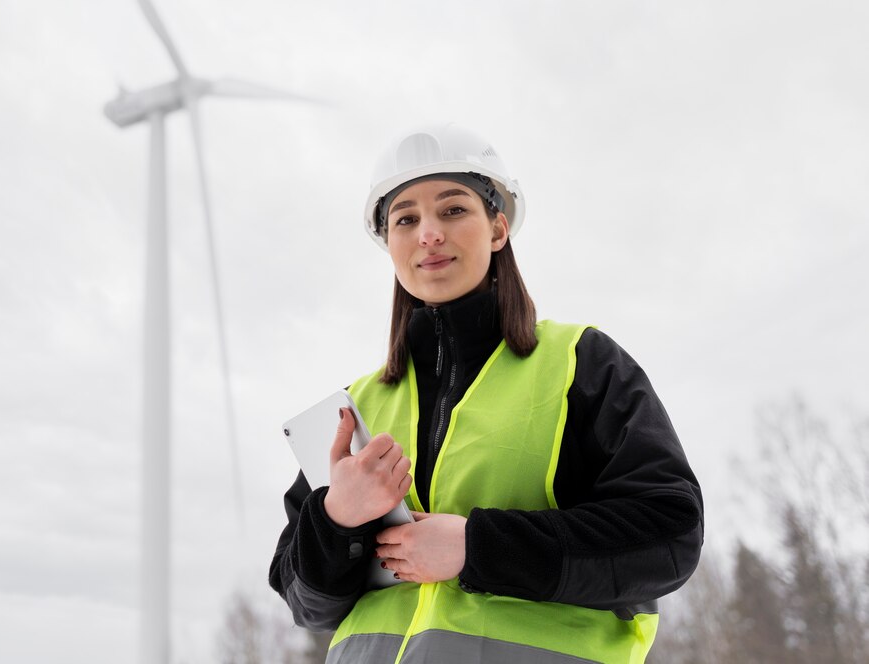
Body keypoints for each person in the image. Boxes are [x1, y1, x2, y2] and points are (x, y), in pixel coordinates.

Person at [269, 124, 703, 664]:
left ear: (498, 229)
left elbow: (668, 536)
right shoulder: (352, 408)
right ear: (390, 244)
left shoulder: (579, 363)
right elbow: (306, 604)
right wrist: (336, 517)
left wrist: (479, 547)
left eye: (453, 210)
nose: (428, 233)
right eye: (406, 219)